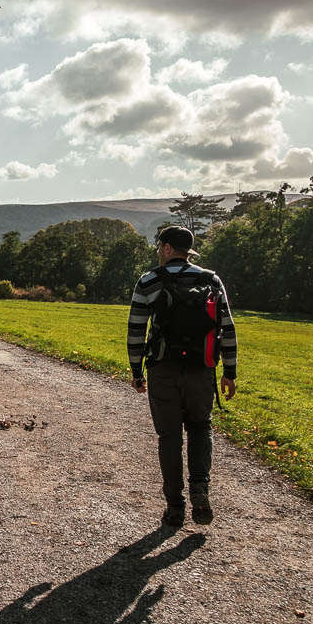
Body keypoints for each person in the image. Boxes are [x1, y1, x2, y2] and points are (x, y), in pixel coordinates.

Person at [127, 226, 237, 527]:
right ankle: (200, 490)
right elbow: (226, 328)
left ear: (165, 248)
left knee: (169, 437)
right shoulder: (210, 280)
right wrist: (230, 372)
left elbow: (136, 330)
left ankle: (175, 506)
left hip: (163, 369)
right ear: (188, 250)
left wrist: (137, 370)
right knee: (201, 427)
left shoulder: (149, 281)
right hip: (202, 369)